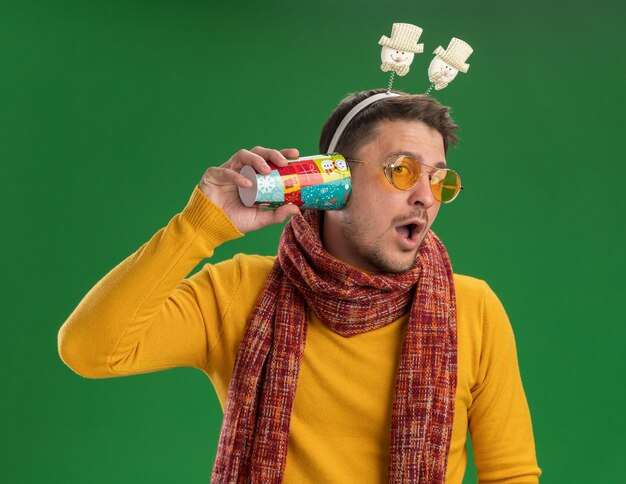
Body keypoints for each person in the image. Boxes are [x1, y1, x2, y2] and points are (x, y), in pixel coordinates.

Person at [58, 88, 541, 483]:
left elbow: (511, 474)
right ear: (333, 181)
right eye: (402, 170)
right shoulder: (239, 293)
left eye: (439, 181)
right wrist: (200, 225)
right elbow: (90, 349)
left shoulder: (473, 309)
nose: (424, 198)